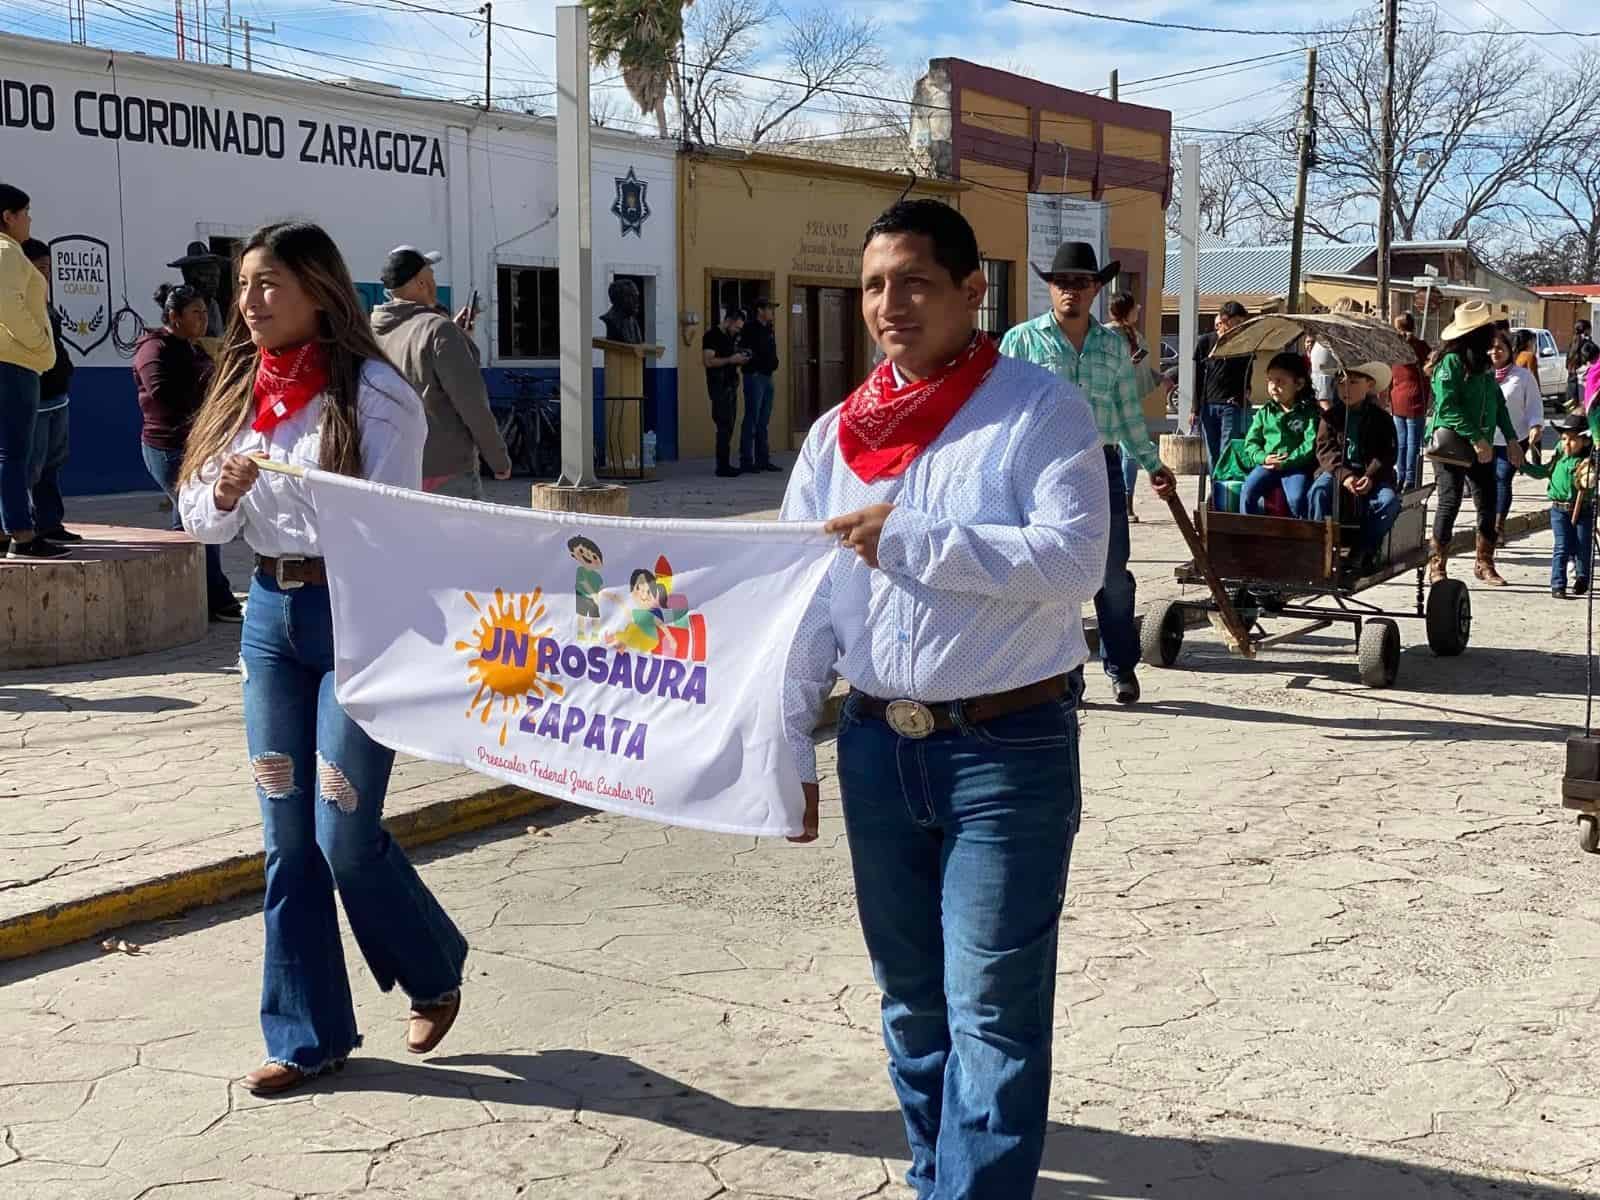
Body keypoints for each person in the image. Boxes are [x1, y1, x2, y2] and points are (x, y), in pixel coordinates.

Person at [781, 199, 1108, 1199]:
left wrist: (912, 536)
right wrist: (790, 747)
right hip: (879, 751)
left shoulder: (1039, 412)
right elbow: (799, 603)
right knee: (913, 1005)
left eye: (915, 281)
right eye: (875, 284)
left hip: (1005, 752)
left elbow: (1076, 559)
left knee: (992, 1008)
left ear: (972, 291)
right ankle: (938, 1176)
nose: (890, 303)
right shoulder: (837, 436)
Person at [177, 222, 468, 1097]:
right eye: (245, 286)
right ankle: (306, 1037)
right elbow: (197, 519)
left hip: (358, 619)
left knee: (343, 831)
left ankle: (431, 968)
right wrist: (221, 491)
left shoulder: (376, 392)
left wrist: (315, 496)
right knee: (284, 835)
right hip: (270, 618)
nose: (252, 302)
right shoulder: (239, 387)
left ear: (320, 291)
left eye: (271, 284)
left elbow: (392, 524)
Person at [1000, 243, 1177, 706]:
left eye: (1081, 283)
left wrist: (1153, 464)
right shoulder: (1021, 341)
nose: (1071, 292)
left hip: (1099, 467)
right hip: (1037, 473)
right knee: (1053, 577)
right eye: (1062, 283)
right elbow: (1001, 408)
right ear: (1050, 288)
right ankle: (1065, 676)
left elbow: (1126, 411)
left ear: (1097, 288)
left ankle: (1121, 669)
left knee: (1112, 575)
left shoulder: (1112, 345)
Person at [134, 283, 241, 622]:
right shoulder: (154, 349)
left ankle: (188, 598)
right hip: (168, 449)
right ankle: (218, 598)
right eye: (195, 312)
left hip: (197, 447)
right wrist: (207, 405)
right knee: (201, 521)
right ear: (173, 317)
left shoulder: (194, 349)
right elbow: (161, 392)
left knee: (188, 522)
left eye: (205, 312)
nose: (203, 318)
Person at [371, 246, 510, 500]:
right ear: (422, 282)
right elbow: (472, 404)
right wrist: (498, 460)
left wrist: (457, 336)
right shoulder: (438, 331)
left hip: (394, 468)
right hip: (445, 469)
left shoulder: (373, 331)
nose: (435, 281)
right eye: (432, 275)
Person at [1424, 300, 1522, 585]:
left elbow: (1498, 403)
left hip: (1483, 444)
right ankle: (1437, 563)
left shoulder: (1484, 364)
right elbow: (1448, 407)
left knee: (1488, 502)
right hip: (1452, 444)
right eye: (1489, 329)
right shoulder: (1452, 362)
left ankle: (1484, 563)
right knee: (1450, 501)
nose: (1494, 334)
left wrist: (1512, 438)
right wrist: (1477, 438)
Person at [0, 182, 66, 560]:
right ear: (8, 217)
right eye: (25, 213)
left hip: (11, 362)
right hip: (14, 363)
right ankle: (23, 537)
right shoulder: (7, 250)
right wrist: (41, 344)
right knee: (14, 454)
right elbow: (8, 304)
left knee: (7, 453)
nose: (28, 220)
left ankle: (7, 529)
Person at [1309, 363, 1402, 576]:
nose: (1346, 389)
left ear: (1369, 385)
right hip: (1337, 473)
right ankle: (1319, 548)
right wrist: (1345, 476)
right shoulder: (1330, 416)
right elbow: (1325, 451)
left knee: (1388, 502)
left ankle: (1363, 550)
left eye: (1353, 382)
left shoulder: (1382, 419)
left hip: (1371, 475)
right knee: (1318, 492)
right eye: (1341, 383)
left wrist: (1370, 477)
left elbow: (1387, 454)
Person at [22, 238, 77, 544]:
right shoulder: (17, 303)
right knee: (31, 466)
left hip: (58, 396)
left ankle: (50, 522)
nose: (46, 274)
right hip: (35, 397)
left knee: (53, 463)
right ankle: (24, 526)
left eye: (48, 268)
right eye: (40, 267)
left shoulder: (45, 303)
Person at [1103, 290, 1170, 524]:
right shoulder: (1105, 335)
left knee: (1129, 453)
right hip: (1110, 406)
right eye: (1135, 307)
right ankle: (1124, 503)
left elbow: (1142, 370)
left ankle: (1126, 502)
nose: (1138, 310)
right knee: (1127, 453)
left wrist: (1159, 377)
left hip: (1129, 402)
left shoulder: (1135, 335)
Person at [1237, 351, 1319, 518]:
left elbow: (1309, 444)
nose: (1273, 386)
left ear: (1299, 384)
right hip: (1267, 465)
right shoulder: (1265, 412)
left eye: (1280, 381)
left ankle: (1301, 537)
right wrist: (1263, 458)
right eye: (1270, 381)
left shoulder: (1309, 412)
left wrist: (1288, 461)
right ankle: (1248, 534)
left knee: (1297, 498)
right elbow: (1251, 442)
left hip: (1296, 468)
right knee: (1247, 491)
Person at [1520, 412, 1594, 598]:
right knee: (1561, 546)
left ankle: (1582, 579)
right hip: (1558, 511)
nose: (1567, 443)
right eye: (1563, 439)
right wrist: (1524, 465)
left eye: (1572, 440)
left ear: (1585, 441)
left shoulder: (1589, 463)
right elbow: (1542, 472)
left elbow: (1590, 481)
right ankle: (1558, 584)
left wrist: (1590, 476)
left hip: (1583, 510)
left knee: (1582, 546)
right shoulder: (1558, 457)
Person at [1489, 328, 1544, 540]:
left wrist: (1535, 426)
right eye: (1491, 348)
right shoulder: (1481, 376)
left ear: (1509, 350)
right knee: (1486, 483)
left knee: (1502, 478)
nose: (1495, 352)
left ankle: (1498, 527)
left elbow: (1534, 406)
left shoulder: (1522, 377)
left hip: (1514, 439)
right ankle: (1486, 523)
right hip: (1485, 439)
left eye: (1500, 348)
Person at [1192, 301, 1252, 464]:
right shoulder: (1205, 342)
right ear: (1225, 319)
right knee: (1212, 454)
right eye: (1237, 321)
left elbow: (1248, 374)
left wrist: (1242, 397)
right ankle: (1215, 488)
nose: (1240, 326)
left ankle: (1224, 489)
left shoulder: (1245, 343)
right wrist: (1195, 408)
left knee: (1226, 451)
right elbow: (1197, 377)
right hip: (1208, 405)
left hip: (1230, 406)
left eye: (1242, 322)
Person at [702, 306, 749, 478]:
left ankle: (725, 463)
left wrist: (740, 358)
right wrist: (731, 359)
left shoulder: (732, 337)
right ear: (728, 321)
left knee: (729, 425)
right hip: (718, 386)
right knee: (723, 425)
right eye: (736, 326)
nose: (738, 330)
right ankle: (722, 466)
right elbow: (708, 361)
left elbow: (732, 357)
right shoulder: (711, 336)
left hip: (731, 384)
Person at [738, 298, 781, 474]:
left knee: (763, 420)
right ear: (760, 310)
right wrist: (756, 364)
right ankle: (747, 460)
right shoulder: (749, 329)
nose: (772, 312)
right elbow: (743, 351)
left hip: (767, 377)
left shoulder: (769, 329)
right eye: (770, 308)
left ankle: (763, 459)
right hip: (754, 376)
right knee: (752, 419)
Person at [1389, 312, 1431, 491]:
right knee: (1413, 442)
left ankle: (1400, 476)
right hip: (1415, 397)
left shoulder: (1393, 347)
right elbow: (1430, 369)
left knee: (1401, 441)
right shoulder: (1421, 347)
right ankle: (1410, 479)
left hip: (1397, 396)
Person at [167, 241, 229, 338]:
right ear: (188, 276)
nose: (214, 281)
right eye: (206, 275)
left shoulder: (212, 304)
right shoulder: (178, 303)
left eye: (216, 276)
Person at [1567, 320, 1594, 412]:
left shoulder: (1572, 344)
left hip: (1571, 383)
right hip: (1585, 384)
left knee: (1573, 413)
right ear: (1587, 330)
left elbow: (1567, 364)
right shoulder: (1589, 345)